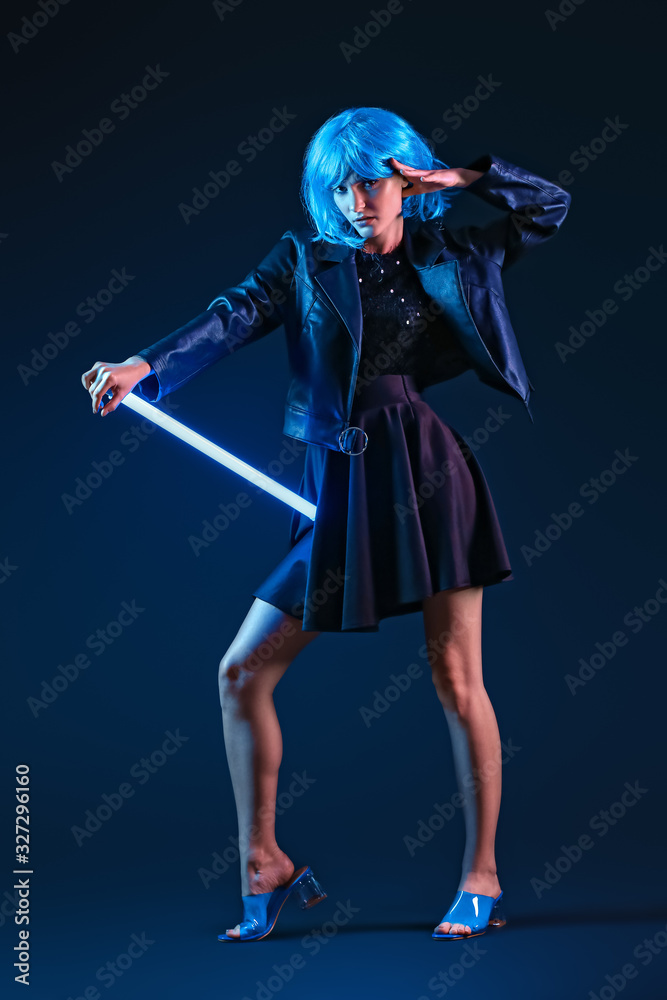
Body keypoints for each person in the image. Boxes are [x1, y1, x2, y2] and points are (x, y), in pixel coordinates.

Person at [81, 106, 570, 942]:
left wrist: (463, 178)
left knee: (457, 681)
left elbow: (548, 207)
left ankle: (481, 873)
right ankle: (263, 861)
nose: (354, 199)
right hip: (336, 491)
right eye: (338, 184)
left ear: (405, 179)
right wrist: (146, 366)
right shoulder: (304, 260)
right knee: (241, 673)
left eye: (371, 180)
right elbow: (232, 315)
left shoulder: (450, 251)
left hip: (426, 480)